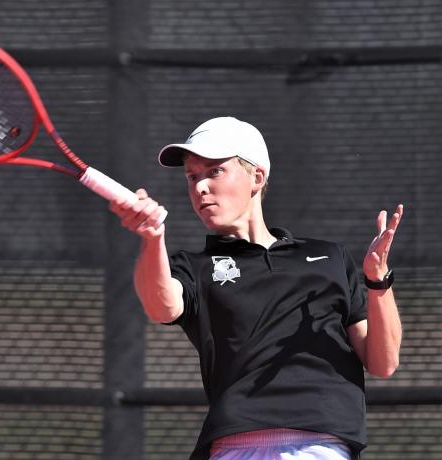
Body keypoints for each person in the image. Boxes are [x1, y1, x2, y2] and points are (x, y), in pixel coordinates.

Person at [110, 117, 403, 460]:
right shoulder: (195, 265)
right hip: (233, 445)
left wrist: (377, 280)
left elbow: (383, 362)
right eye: (192, 176)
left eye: (214, 172)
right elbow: (161, 306)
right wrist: (152, 238)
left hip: (323, 445)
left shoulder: (330, 257)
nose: (200, 187)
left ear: (257, 177)